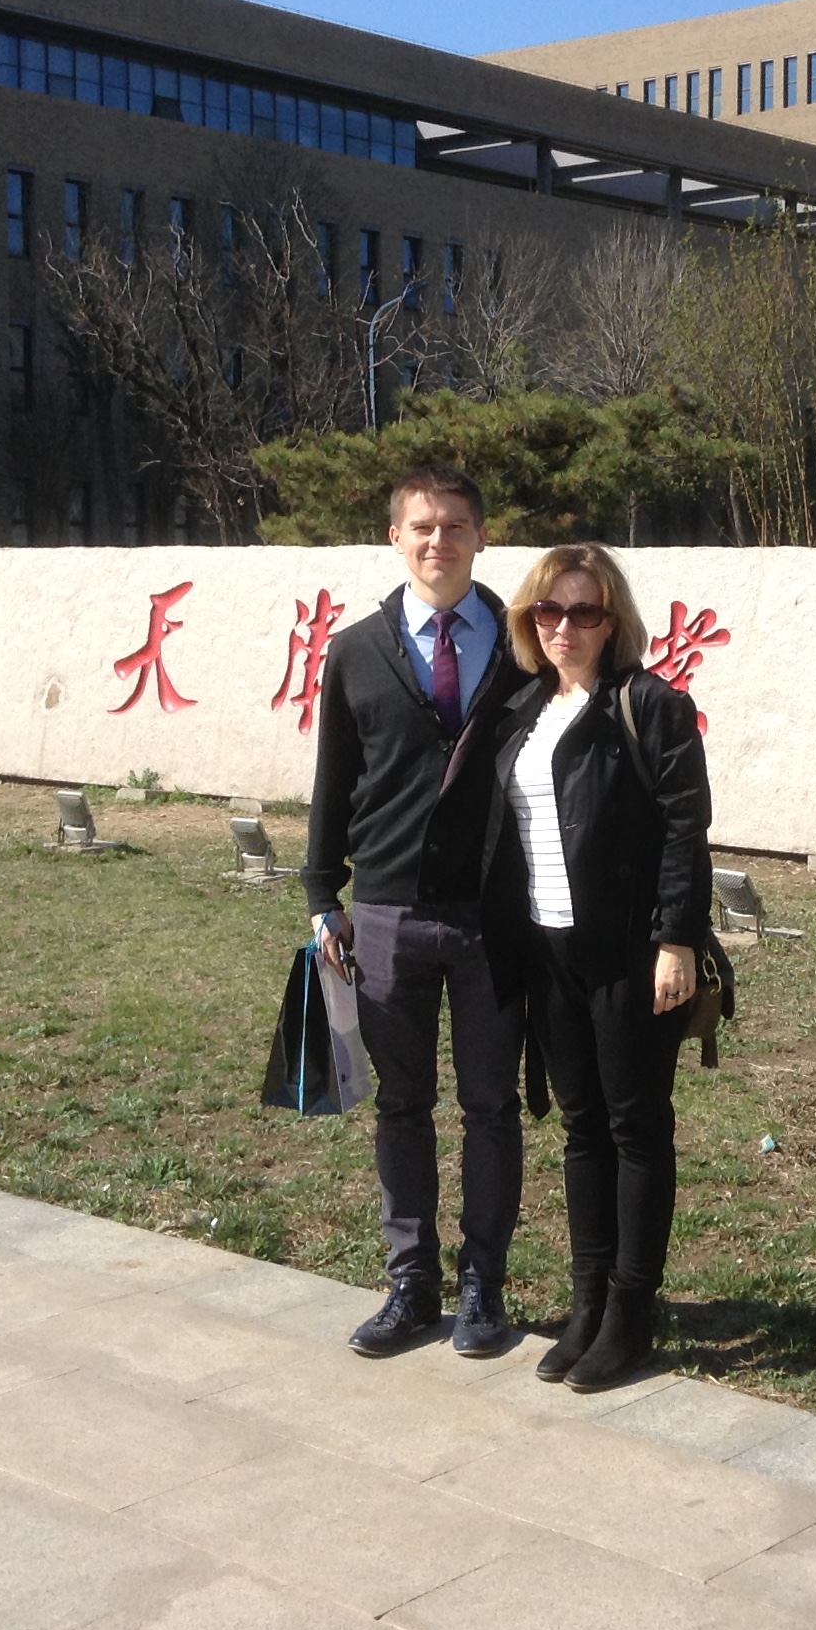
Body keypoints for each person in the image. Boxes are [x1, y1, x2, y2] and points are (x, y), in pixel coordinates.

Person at [305, 465, 532, 1359]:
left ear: (482, 536)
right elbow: (334, 779)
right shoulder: (356, 651)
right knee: (401, 1104)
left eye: (456, 525)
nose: (439, 540)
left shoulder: (524, 644)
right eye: (423, 526)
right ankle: (411, 1283)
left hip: (493, 914)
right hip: (387, 909)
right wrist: (322, 893)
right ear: (395, 537)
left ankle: (484, 1284)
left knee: (491, 1106)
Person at [486, 542, 712, 1391]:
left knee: (636, 1128)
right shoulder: (523, 708)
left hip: (628, 952)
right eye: (549, 610)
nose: (565, 627)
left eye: (584, 611)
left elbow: (685, 829)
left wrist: (676, 940)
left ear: (612, 621)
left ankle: (630, 1315)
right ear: (529, 620)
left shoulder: (651, 706)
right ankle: (587, 1305)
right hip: (547, 950)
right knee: (582, 1127)